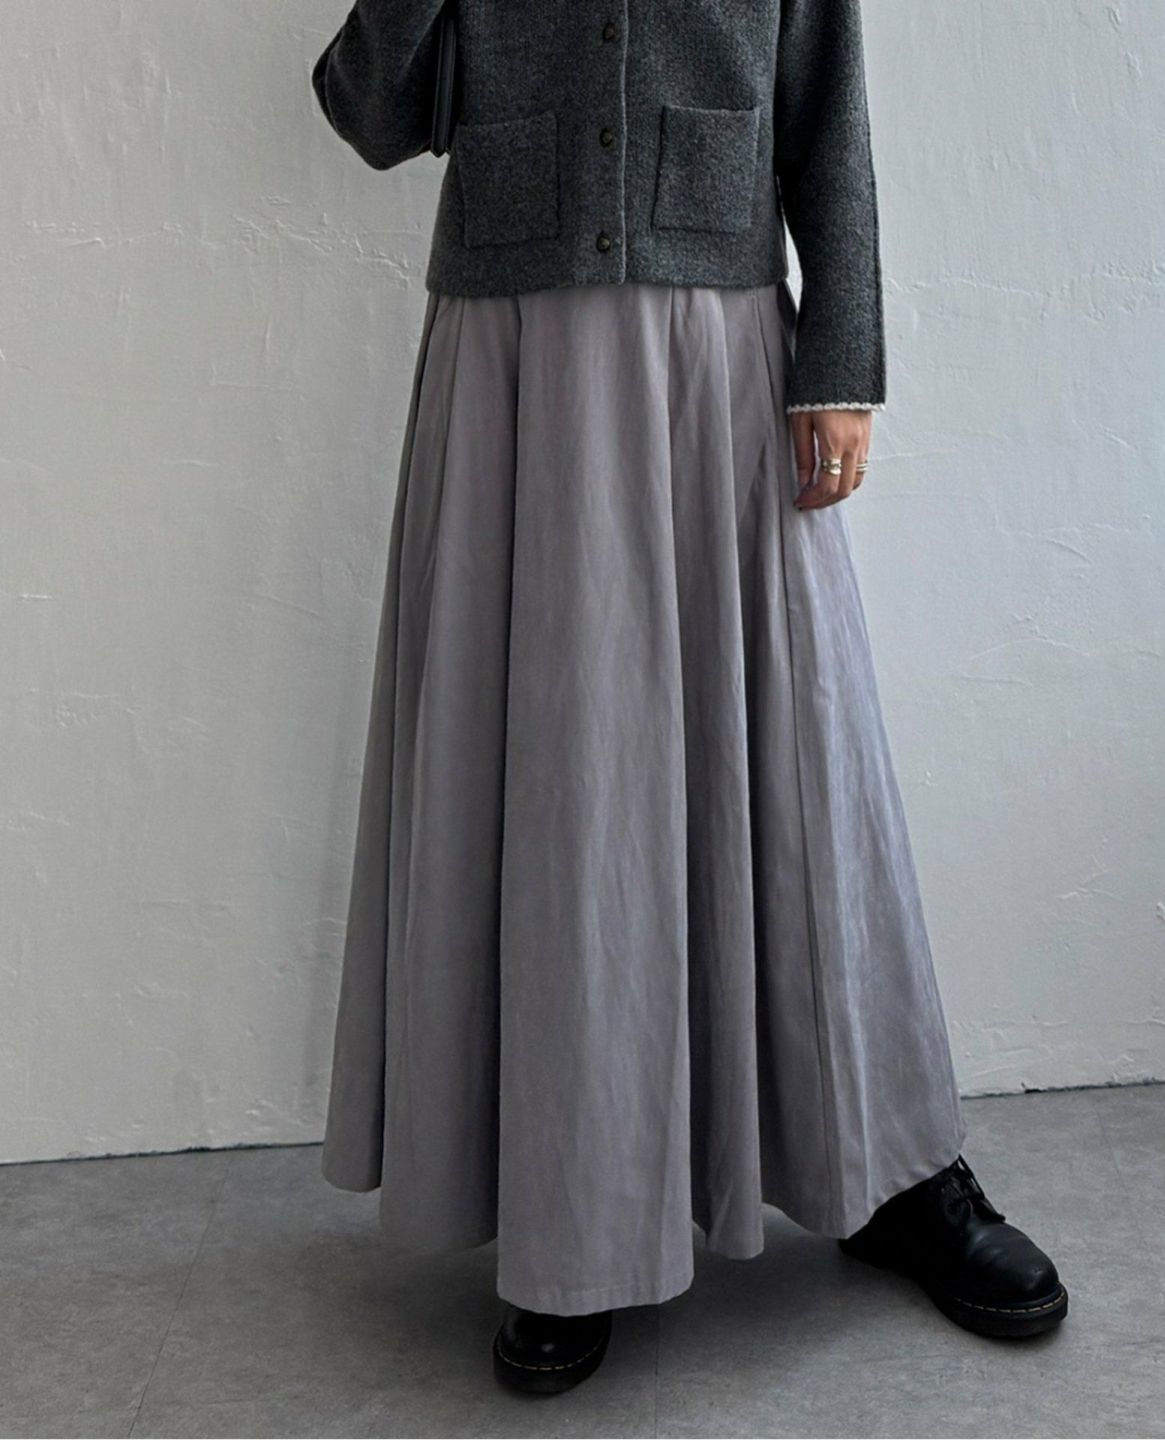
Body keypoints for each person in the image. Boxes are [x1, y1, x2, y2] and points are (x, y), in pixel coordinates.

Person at [309, 0, 1067, 1396]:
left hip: (722, 362)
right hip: (518, 366)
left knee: (801, 769)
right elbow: (368, 111)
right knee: (561, 783)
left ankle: (890, 1169)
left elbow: (828, 117)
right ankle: (576, 1222)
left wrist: (842, 361)